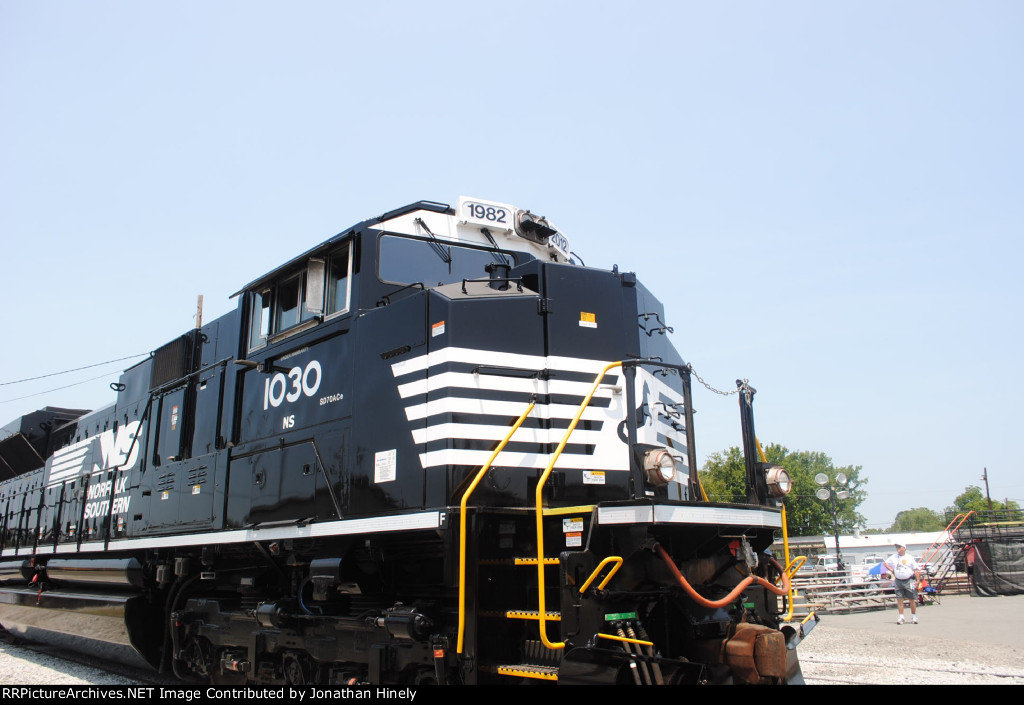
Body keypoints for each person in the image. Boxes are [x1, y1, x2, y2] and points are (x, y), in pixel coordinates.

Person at [884, 543, 922, 624]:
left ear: (904, 548)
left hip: (909, 580)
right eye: (896, 547)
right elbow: (885, 563)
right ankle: (901, 617)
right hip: (898, 580)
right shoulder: (894, 557)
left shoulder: (909, 557)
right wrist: (892, 570)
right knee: (899, 599)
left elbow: (916, 569)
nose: (897, 548)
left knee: (912, 599)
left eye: (899, 547)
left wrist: (918, 580)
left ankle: (914, 617)